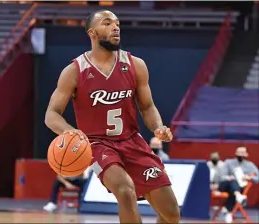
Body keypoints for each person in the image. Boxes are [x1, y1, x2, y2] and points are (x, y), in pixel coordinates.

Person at [45, 9, 180, 223]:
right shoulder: (74, 71)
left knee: (171, 213)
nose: (115, 27)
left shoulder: (136, 65)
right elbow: (51, 114)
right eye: (107, 23)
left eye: (117, 23)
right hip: (98, 145)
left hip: (132, 140)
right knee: (125, 191)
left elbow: (147, 106)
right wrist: (71, 132)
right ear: (92, 32)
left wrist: (158, 127)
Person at [219, 146, 259, 223]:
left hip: (239, 187)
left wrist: (250, 177)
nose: (241, 154)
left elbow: (258, 178)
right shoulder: (228, 162)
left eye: (243, 152)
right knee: (233, 181)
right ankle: (239, 197)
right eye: (239, 152)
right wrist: (230, 177)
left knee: (234, 189)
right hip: (225, 185)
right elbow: (222, 176)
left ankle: (228, 212)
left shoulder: (250, 165)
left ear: (247, 154)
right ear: (235, 153)